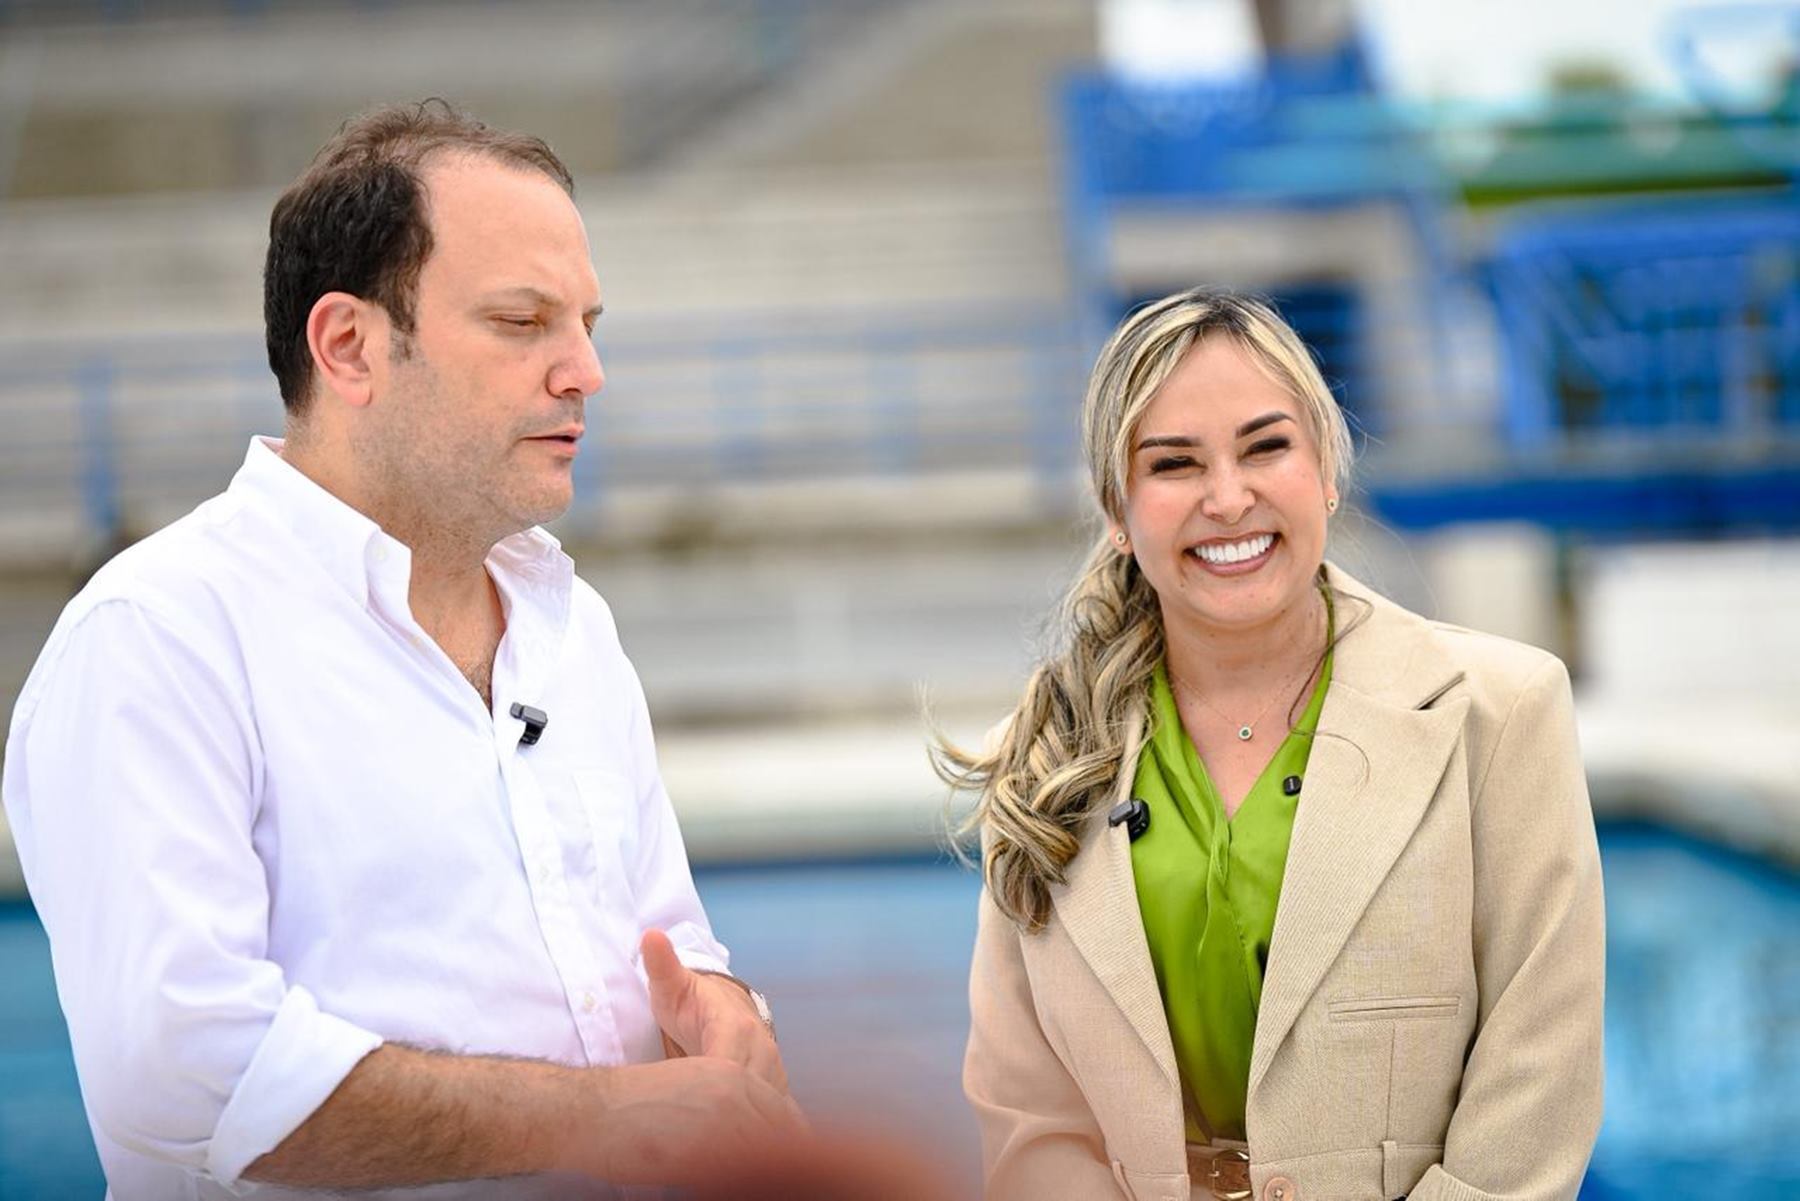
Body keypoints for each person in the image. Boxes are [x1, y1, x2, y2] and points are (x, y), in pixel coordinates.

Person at [2, 101, 798, 1200]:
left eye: (588, 324)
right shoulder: (157, 639)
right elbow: (182, 1077)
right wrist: (602, 1118)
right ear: (351, 347)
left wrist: (722, 1014)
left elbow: (667, 950)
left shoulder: (575, 631)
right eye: (524, 322)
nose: (585, 372)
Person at [940, 289, 1604, 1201]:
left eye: (1266, 447)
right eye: (1174, 465)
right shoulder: (1041, 751)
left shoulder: (1503, 711)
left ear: (1327, 465)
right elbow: (1027, 1115)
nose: (1228, 497)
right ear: (1116, 511)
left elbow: (1542, 1068)